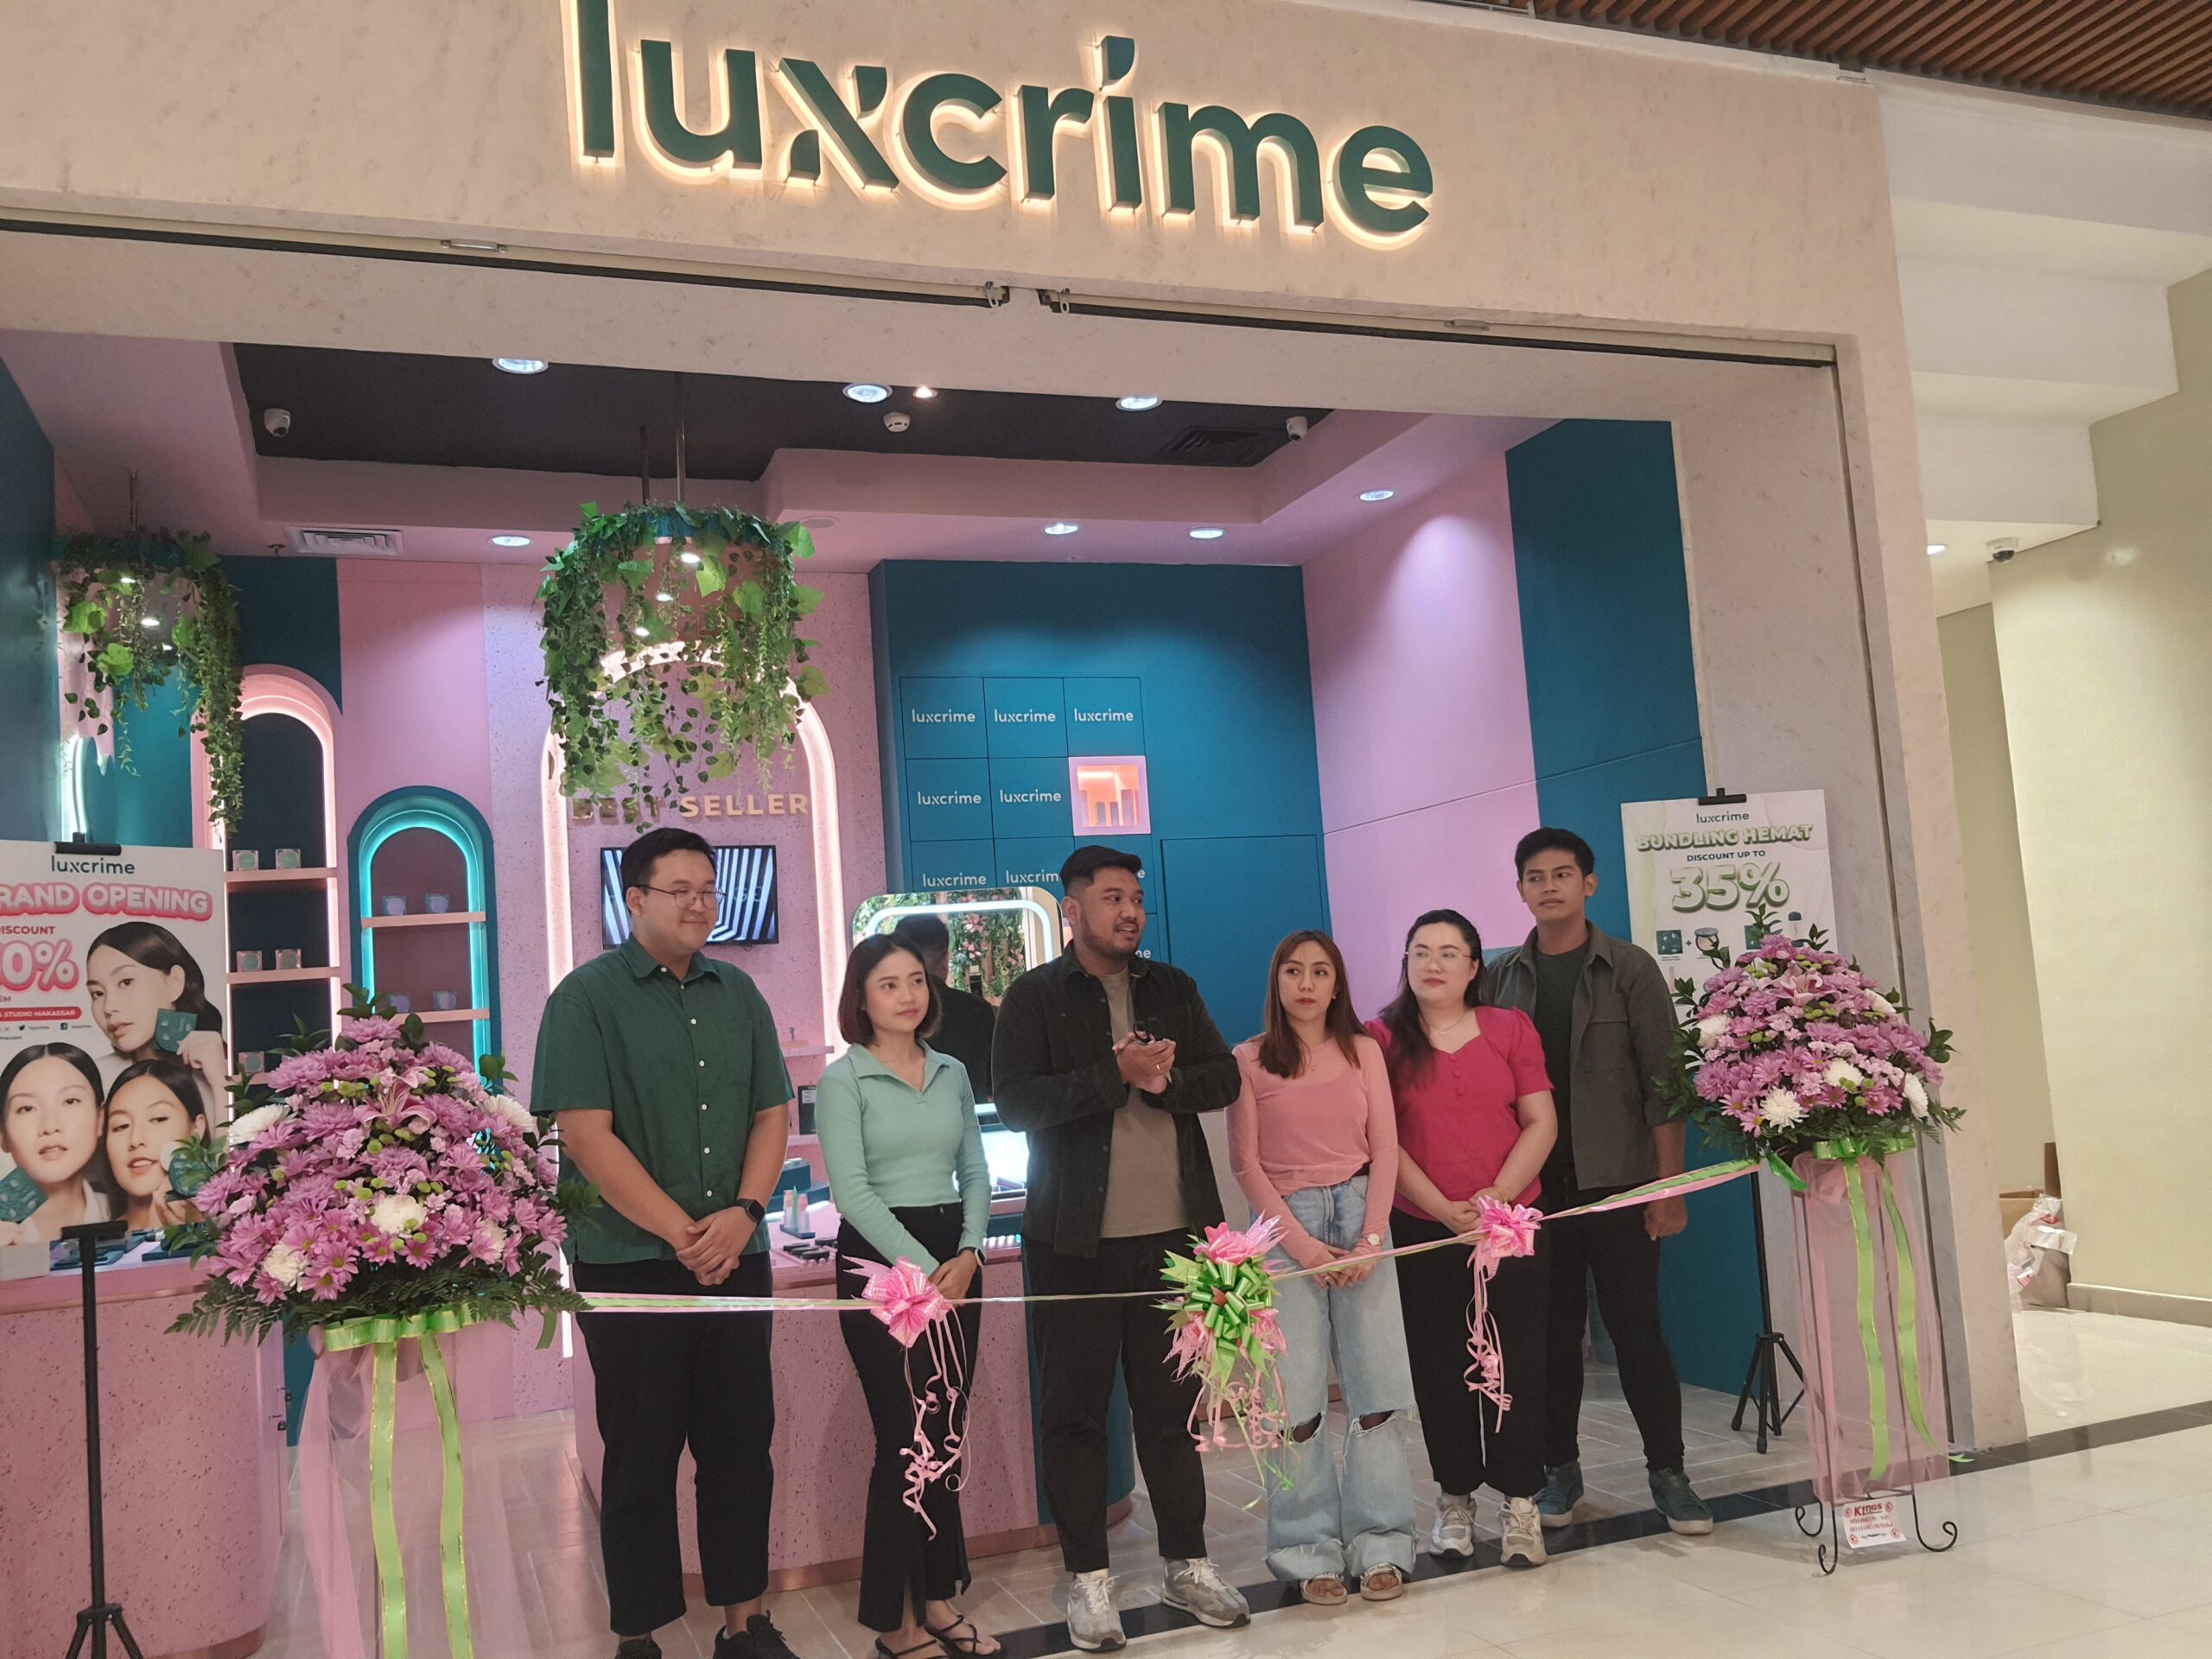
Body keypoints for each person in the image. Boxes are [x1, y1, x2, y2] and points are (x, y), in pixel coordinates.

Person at [535, 826, 807, 1659]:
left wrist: (747, 1214)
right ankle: (640, 1633)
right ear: (635, 899)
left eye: (709, 889)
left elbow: (772, 1113)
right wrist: (686, 1232)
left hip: (737, 1256)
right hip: (630, 1263)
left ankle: (744, 1623)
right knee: (640, 1456)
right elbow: (587, 1135)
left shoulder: (741, 993)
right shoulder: (584, 999)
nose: (700, 904)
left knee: (740, 1447)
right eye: (680, 890)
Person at [992, 844, 1249, 1652]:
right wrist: (1116, 1074)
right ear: (1072, 910)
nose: (1130, 911)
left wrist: (1166, 1083)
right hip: (1074, 1245)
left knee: (1170, 1413)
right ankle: (1089, 1580)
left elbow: (1224, 1079)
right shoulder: (1034, 996)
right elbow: (1016, 1103)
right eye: (1111, 898)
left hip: (1176, 1239)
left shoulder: (1173, 987)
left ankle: (1188, 1565)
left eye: (1135, 897)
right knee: (1074, 1415)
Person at [1481, 828, 1714, 1537]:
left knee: (1637, 1331)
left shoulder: (1631, 968)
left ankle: (1669, 1473)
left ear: (1589, 884)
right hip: (1534, 1197)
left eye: (1562, 874)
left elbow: (1665, 1087)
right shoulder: (1499, 977)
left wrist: (1668, 1190)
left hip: (1621, 1186)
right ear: (1520, 889)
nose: (1548, 886)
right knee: (1550, 1338)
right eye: (1535, 877)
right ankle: (1560, 1470)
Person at [816, 935, 1000, 1659]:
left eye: (916, 981)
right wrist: (929, 1267)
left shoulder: (952, 1071)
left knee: (945, 1434)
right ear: (861, 999)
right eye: (888, 984)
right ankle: (895, 1622)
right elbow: (853, 1195)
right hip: (883, 1266)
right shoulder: (845, 1081)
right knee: (904, 1438)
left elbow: (976, 1170)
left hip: (956, 1258)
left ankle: (940, 1596)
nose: (907, 995)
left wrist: (970, 1251)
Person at [1227, 931, 1415, 1605]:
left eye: (1319, 972)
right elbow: (1246, 1166)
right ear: (1276, 982)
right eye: (1293, 971)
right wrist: (1305, 1249)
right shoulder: (1249, 1059)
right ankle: (1306, 1551)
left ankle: (1382, 1542)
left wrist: (1370, 1240)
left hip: (1364, 1216)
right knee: (1296, 1401)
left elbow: (1386, 1150)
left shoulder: (1364, 1051)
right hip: (1287, 1229)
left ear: (1337, 985)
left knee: (1377, 1393)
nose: (1306, 984)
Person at [1366, 910, 1556, 1572]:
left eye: (1450, 952)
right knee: (1441, 1366)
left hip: (1510, 1226)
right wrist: (1442, 1210)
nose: (1434, 964)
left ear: (1475, 966)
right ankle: (1454, 1499)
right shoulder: (1380, 1039)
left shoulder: (1511, 1027)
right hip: (1424, 1227)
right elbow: (1382, 1140)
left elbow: (1540, 1121)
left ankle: (1521, 1501)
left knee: (1517, 1362)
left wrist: (1498, 1196)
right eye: (1421, 951)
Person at [86, 921, 229, 1116]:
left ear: (174, 983)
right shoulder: (93, 1080)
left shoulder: (224, 1070)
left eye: (126, 982)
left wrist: (221, 1083)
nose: (108, 1007)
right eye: (97, 993)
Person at [0, 1043, 115, 1245]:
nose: (50, 1126)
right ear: (3, 1135)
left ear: (100, 1120)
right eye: (27, 1108)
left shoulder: (122, 1215)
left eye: (70, 1101)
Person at [891, 913, 997, 1103]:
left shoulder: (886, 1012)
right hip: (970, 1116)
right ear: (945, 959)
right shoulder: (978, 1011)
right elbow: (995, 1081)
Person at [103, 1055, 211, 1232]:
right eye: (121, 1126)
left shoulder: (230, 1231)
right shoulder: (91, 1243)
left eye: (158, 1119)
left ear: (196, 1128)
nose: (135, 1140)